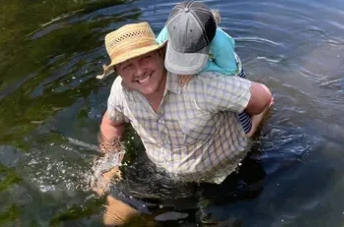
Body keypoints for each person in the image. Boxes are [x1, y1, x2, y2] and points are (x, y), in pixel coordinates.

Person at [96, 21, 273, 224]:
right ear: (118, 71)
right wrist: (110, 161)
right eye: (127, 65)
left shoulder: (201, 83)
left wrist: (253, 127)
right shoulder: (121, 89)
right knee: (113, 220)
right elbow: (112, 123)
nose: (139, 71)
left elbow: (264, 98)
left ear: (161, 55)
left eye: (145, 58)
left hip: (226, 171)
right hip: (164, 171)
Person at [155, 1, 254, 135]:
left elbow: (230, 70)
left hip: (226, 68)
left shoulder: (221, 42)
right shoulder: (171, 30)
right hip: (203, 65)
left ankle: (255, 117)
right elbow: (158, 51)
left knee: (239, 113)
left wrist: (198, 69)